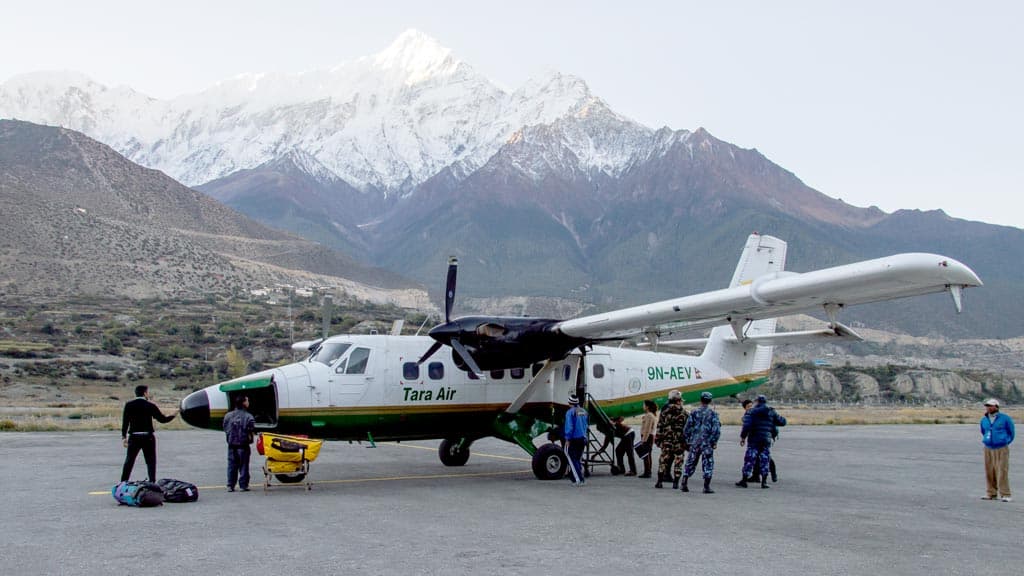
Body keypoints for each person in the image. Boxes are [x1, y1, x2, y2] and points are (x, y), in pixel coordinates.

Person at [120, 384, 177, 482]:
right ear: (145, 393)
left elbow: (125, 422)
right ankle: (152, 482)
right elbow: (162, 419)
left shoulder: (129, 405)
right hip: (148, 437)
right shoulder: (150, 405)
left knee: (129, 460)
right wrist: (173, 415)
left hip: (134, 437)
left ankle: (123, 482)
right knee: (150, 461)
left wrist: (124, 436)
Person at [737, 395, 786, 489]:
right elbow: (783, 422)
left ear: (757, 401)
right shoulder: (771, 411)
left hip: (754, 439)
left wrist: (743, 437)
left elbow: (746, 426)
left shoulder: (751, 412)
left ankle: (744, 480)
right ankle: (764, 482)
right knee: (765, 459)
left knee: (749, 459)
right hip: (766, 439)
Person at [680, 391, 721, 494]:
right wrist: (714, 441)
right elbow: (716, 429)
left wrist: (685, 440)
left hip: (695, 441)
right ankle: (706, 486)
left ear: (701, 400)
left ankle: (684, 482)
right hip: (707, 442)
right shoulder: (713, 414)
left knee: (691, 461)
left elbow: (687, 427)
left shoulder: (694, 412)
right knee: (708, 463)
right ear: (710, 401)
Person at [980, 398, 1015, 502]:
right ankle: (991, 493)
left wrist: (1004, 441)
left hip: (1001, 448)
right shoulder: (984, 420)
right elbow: (983, 431)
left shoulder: (1005, 419)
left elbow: (1011, 433)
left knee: (1002, 471)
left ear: (996, 407)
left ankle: (1005, 494)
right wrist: (988, 440)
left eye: (990, 406)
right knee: (989, 471)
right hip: (988, 448)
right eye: (987, 406)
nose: (988, 408)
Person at [654, 390, 688, 489]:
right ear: (679, 400)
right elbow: (687, 428)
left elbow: (660, 426)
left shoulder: (664, 411)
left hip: (666, 440)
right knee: (678, 461)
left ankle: (659, 482)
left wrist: (658, 439)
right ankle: (676, 483)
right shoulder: (684, 413)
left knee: (663, 460)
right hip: (679, 441)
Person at [223, 395, 256, 492]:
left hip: (231, 444)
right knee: (244, 466)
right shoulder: (248, 416)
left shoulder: (228, 416)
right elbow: (252, 429)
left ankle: (230, 485)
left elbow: (225, 428)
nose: (248, 402)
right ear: (244, 403)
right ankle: (243, 485)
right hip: (243, 445)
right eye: (247, 400)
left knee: (232, 466)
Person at [562, 393, 589, 486]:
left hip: (574, 439)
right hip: (583, 438)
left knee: (571, 458)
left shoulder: (570, 412)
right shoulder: (584, 411)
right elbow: (586, 425)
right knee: (577, 459)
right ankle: (575, 478)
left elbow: (569, 426)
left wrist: (567, 438)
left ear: (570, 402)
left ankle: (579, 479)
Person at [638, 400, 658, 478]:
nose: (643, 406)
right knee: (648, 454)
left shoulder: (649, 415)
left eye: (644, 405)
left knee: (646, 455)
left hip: (648, 436)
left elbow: (647, 428)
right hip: (650, 436)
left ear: (647, 407)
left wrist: (644, 439)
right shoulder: (651, 415)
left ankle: (647, 472)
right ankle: (648, 471)